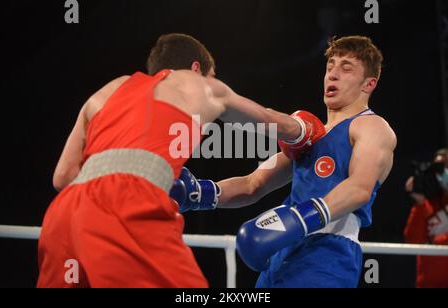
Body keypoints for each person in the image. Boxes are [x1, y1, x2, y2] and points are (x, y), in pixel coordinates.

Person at [37, 33, 325, 288]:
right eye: (212, 75)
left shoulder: (108, 90)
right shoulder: (198, 85)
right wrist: (304, 129)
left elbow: (62, 177)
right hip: (128, 203)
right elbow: (267, 121)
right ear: (197, 69)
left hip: (63, 216)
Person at [171, 36, 397, 288]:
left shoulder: (373, 127)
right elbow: (252, 184)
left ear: (369, 83)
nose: (333, 74)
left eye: (346, 68)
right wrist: (199, 193)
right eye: (330, 66)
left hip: (328, 255)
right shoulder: (312, 138)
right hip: (282, 254)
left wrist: (299, 218)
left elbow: (360, 189)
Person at [404, 148, 448, 288]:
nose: (441, 172)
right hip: (427, 284)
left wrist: (434, 242)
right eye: (438, 168)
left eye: (445, 166)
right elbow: (412, 242)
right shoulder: (426, 205)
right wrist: (420, 202)